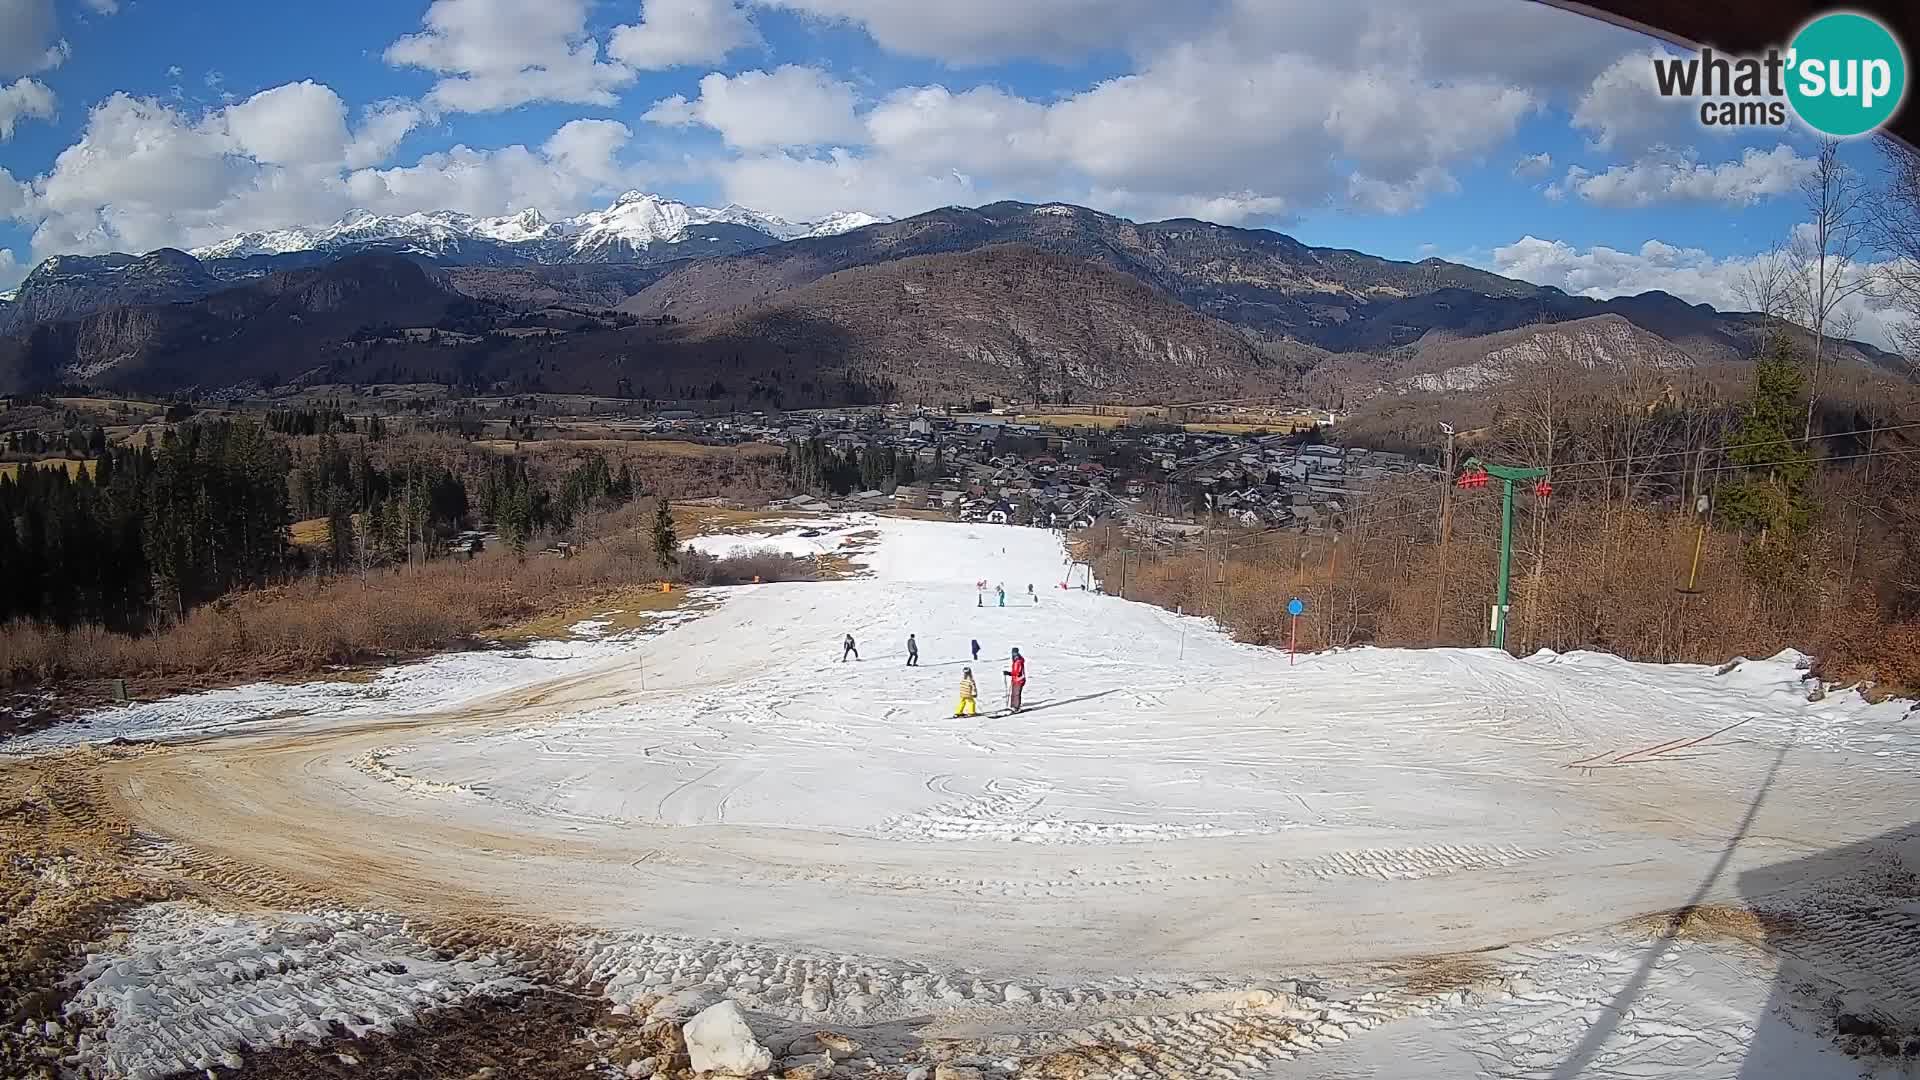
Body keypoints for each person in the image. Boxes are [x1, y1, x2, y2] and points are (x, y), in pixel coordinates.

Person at [1004, 647, 1027, 713]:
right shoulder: (1015, 660)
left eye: (1015, 652)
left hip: (1019, 680)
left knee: (1016, 694)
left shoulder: (1018, 661)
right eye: (1013, 652)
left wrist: (1009, 673)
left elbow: (1018, 672)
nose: (1014, 654)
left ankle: (1016, 707)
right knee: (1013, 693)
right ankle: (1013, 706)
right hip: (1015, 679)